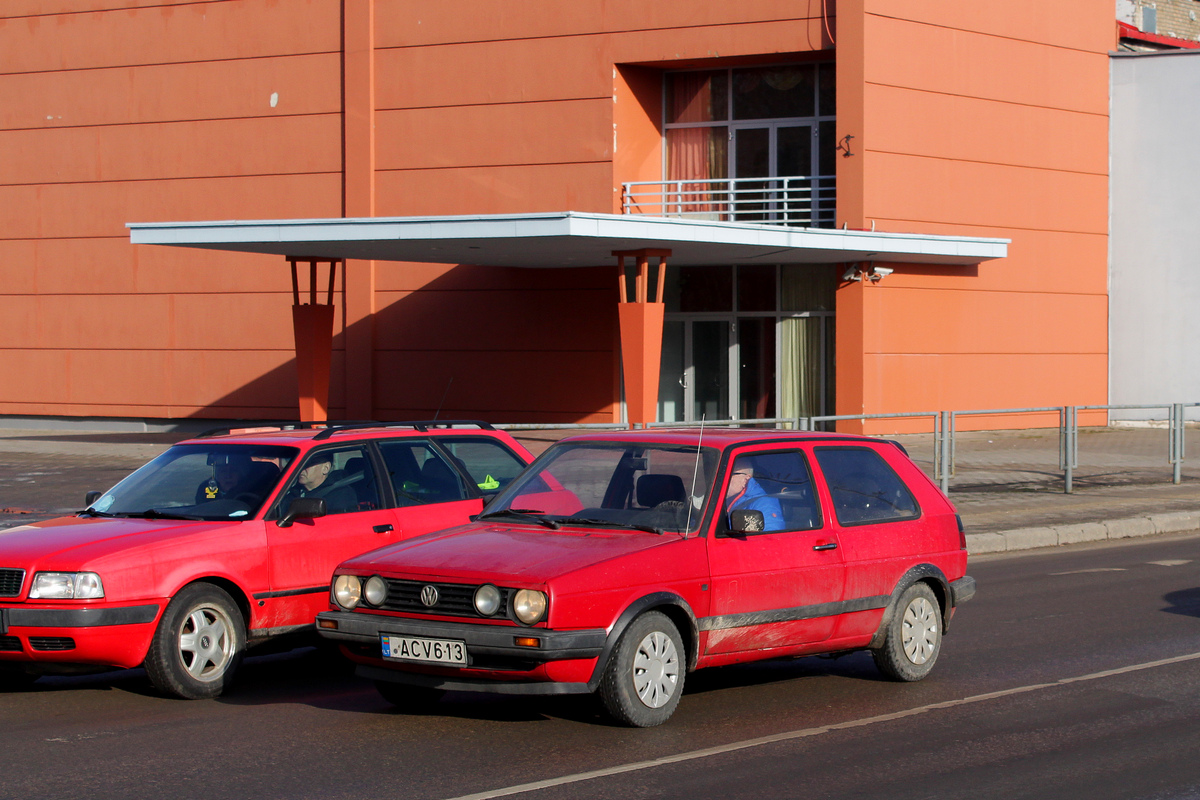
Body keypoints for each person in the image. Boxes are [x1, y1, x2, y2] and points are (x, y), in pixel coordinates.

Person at [283, 451, 358, 514]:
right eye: (299, 464)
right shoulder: (291, 494)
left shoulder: (341, 495)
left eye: (307, 464)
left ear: (325, 468)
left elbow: (341, 525)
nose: (301, 468)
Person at [725, 459, 785, 532]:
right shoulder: (727, 500)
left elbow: (770, 538)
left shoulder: (764, 503)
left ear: (746, 479)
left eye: (729, 474)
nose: (724, 479)